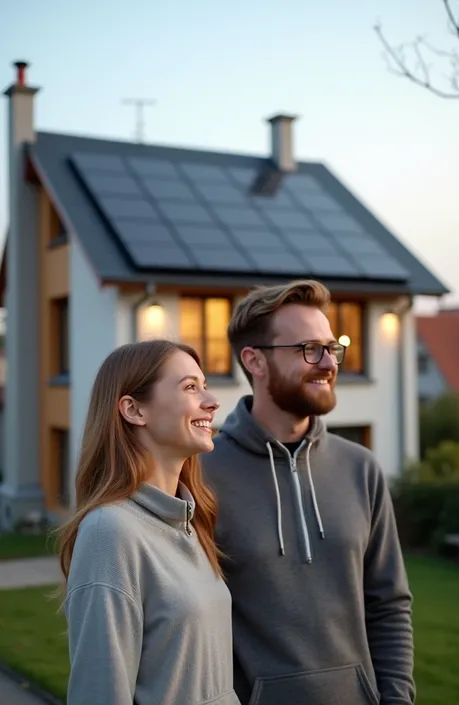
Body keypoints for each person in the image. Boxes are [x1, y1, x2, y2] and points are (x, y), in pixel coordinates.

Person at [203, 280, 415, 705]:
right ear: (254, 361)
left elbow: (389, 607)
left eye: (331, 348)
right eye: (308, 349)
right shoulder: (201, 475)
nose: (328, 362)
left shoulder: (361, 469)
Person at [58, 340, 241, 705]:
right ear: (134, 410)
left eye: (204, 385)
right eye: (190, 387)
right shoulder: (110, 533)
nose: (211, 400)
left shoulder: (189, 520)